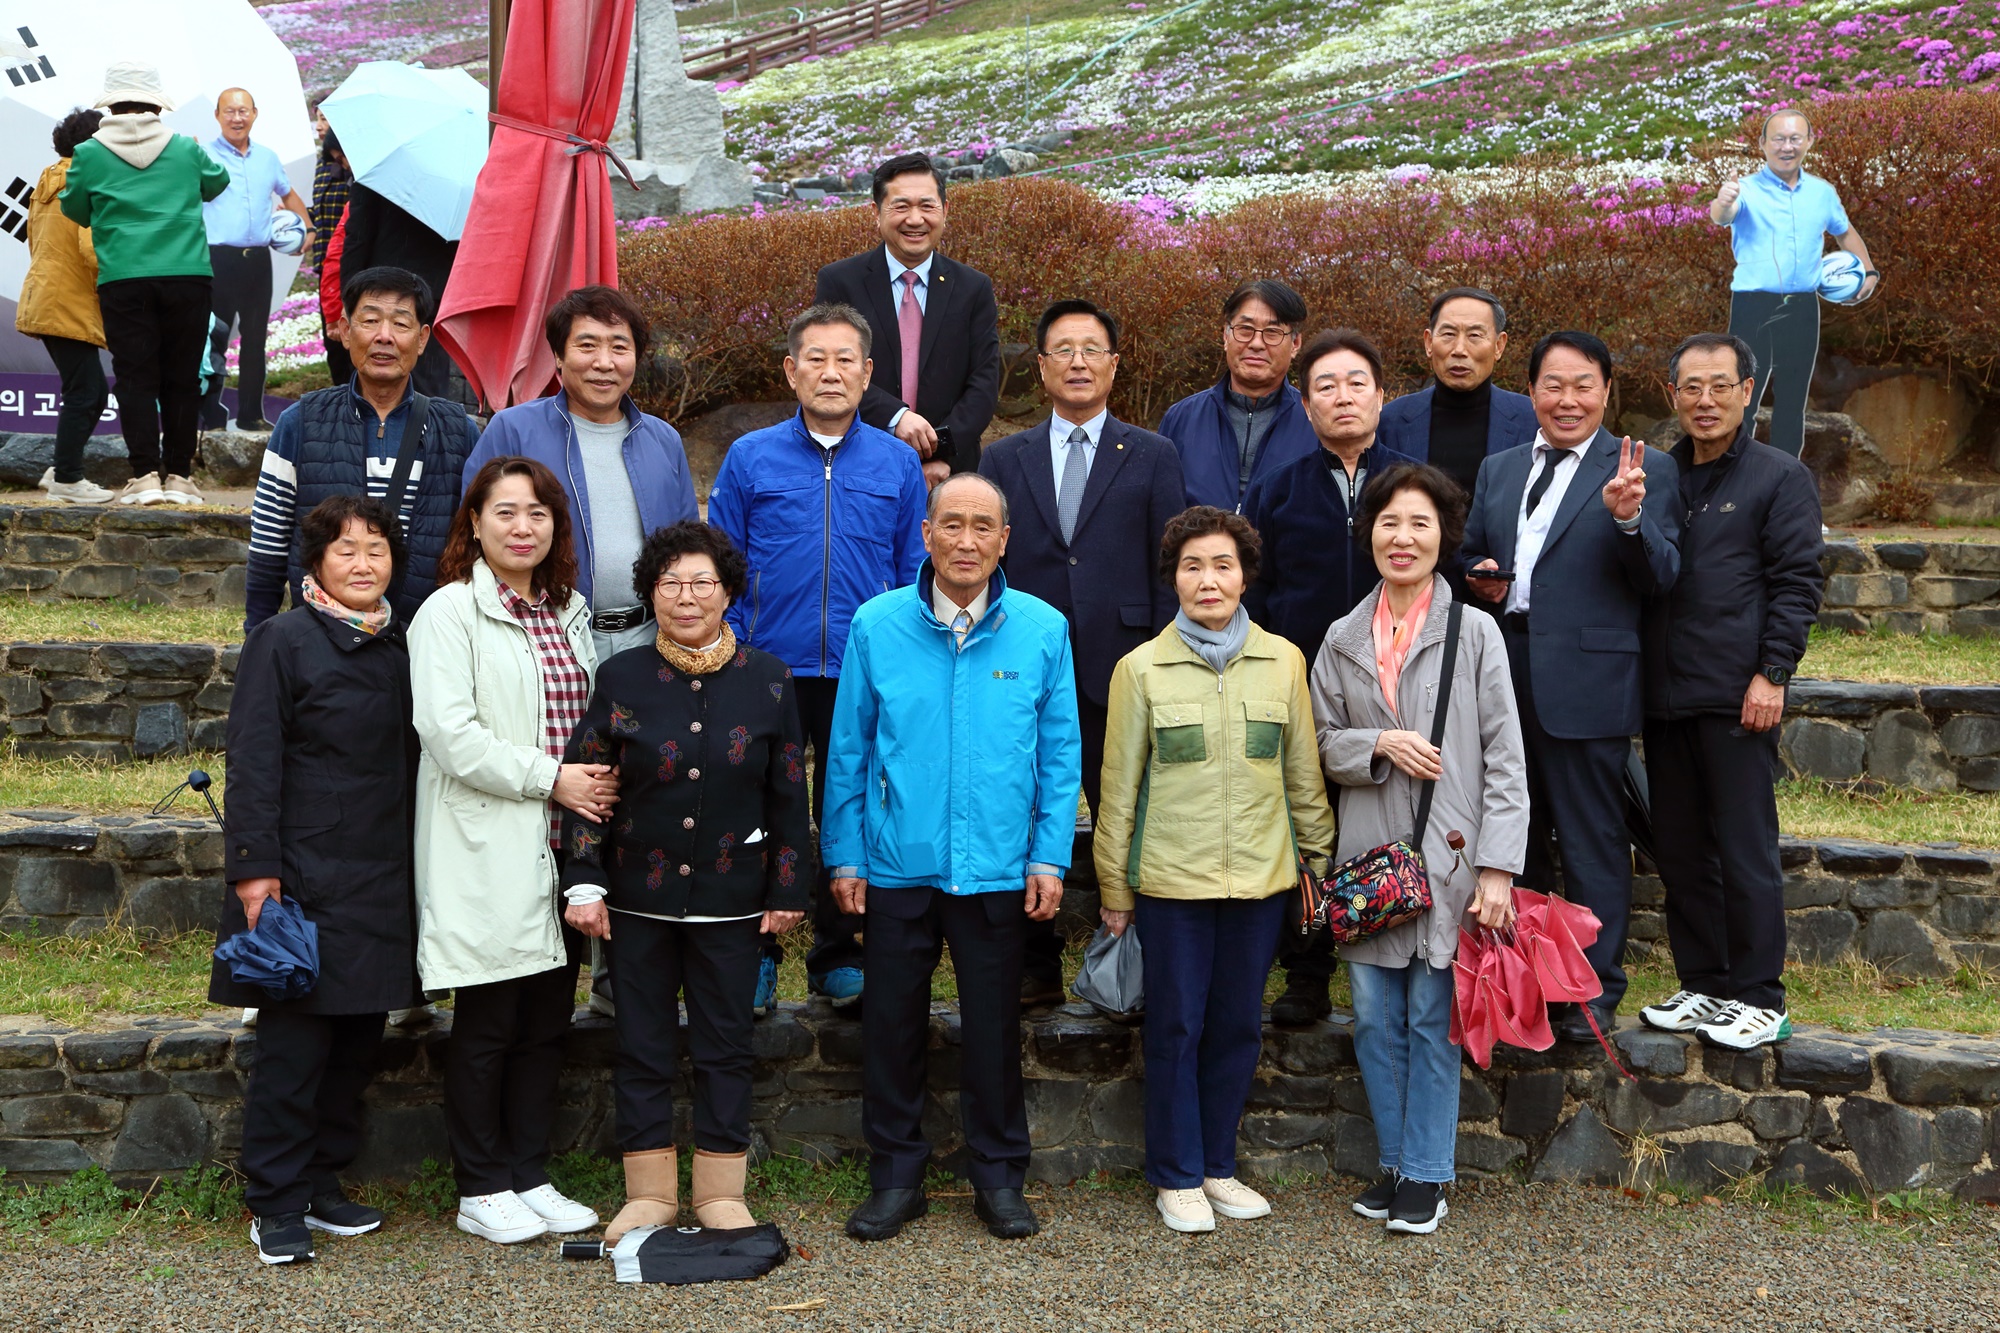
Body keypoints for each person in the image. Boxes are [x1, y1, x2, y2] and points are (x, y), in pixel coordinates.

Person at [823, 473, 1081, 1243]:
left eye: (983, 526)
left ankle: (998, 1177)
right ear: (927, 533)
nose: (966, 540)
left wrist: (1049, 857)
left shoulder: (1042, 629)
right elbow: (848, 751)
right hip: (896, 863)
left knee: (994, 1030)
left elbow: (1060, 756)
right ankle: (896, 1177)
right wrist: (844, 855)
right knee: (891, 1027)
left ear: (1005, 540)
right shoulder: (876, 626)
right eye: (952, 524)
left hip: (999, 867)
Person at [558, 521, 811, 1242]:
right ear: (651, 594)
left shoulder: (769, 678)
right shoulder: (623, 678)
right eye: (670, 583)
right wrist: (585, 879)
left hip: (733, 901)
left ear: (728, 592)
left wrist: (788, 887)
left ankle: (721, 1190)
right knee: (641, 1043)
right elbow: (590, 782)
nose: (687, 596)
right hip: (638, 898)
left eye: (702, 582)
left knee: (726, 1044)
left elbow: (788, 791)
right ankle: (649, 1193)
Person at [1093, 506, 1335, 1234]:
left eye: (1222, 565)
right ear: (1172, 578)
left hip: (1262, 882)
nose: (1208, 580)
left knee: (1236, 1026)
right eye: (1192, 565)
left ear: (1245, 576)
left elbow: (1302, 776)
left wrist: (1317, 863)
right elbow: (1118, 790)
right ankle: (1175, 1173)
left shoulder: (1284, 661)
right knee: (1175, 1025)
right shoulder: (1140, 669)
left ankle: (1217, 1166)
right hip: (1173, 884)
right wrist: (1115, 888)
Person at [1311, 462, 1529, 1236]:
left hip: (1452, 859)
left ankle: (1429, 1173)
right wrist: (1377, 743)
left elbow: (1506, 756)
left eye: (1420, 524)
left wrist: (1498, 868)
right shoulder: (1341, 638)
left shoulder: (1475, 631)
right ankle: (1398, 1163)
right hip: (1370, 861)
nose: (1402, 537)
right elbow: (1321, 742)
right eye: (1388, 522)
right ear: (1368, 532)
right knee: (1374, 1019)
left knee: (1432, 1018)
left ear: (1444, 536)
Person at [409, 455, 616, 1245]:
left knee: (545, 1019)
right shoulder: (449, 613)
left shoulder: (568, 611)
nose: (523, 526)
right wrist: (552, 778)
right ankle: (481, 1184)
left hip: (565, 846)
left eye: (538, 512)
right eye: (505, 511)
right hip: (489, 839)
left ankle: (529, 1173)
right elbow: (450, 734)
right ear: (474, 523)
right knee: (490, 1018)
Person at [214, 494, 421, 1264]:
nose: (363, 563)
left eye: (376, 548)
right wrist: (254, 870)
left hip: (383, 873)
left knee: (358, 1037)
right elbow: (253, 759)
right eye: (346, 549)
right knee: (295, 1045)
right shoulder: (283, 640)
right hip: (300, 876)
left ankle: (320, 1178)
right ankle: (273, 1198)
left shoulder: (402, 644)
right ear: (316, 562)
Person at [707, 304, 927, 1014]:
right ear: (791, 370)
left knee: (852, 806)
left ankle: (840, 954)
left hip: (864, 671)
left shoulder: (898, 463)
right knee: (759, 808)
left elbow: (913, 569)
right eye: (816, 358)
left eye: (845, 360)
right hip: (767, 667)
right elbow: (721, 563)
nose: (830, 373)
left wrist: (902, 659)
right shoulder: (751, 458)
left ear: (868, 373)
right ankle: (756, 954)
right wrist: (733, 647)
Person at [1462, 331, 1681, 1039]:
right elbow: (1470, 550)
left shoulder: (1643, 469)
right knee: (1514, 841)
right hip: (1503, 672)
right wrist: (1478, 573)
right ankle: (1525, 985)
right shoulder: (1499, 468)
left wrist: (1628, 519)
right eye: (1552, 384)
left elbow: (1662, 576)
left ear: (1607, 391)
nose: (1567, 399)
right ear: (1529, 391)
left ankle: (1591, 992)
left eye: (1583, 385)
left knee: (1591, 843)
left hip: (1589, 681)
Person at [979, 298, 1183, 1007]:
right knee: (1022, 809)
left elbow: (1169, 566)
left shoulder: (1153, 454)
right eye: (1062, 349)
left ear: (1114, 365)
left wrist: (1161, 661)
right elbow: (992, 563)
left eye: (1091, 349)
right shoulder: (1004, 457)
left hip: (1120, 664)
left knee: (1126, 812)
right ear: (1040, 367)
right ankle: (1032, 964)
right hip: (1022, 668)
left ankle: (1135, 962)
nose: (1077, 362)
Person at [1639, 333, 1823, 1051]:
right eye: (1691, 386)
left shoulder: (1779, 476)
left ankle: (1760, 997)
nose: (1705, 400)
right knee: (1682, 852)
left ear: (1749, 391)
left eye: (1720, 385)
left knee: (1745, 851)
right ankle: (1706, 983)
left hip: (1738, 695)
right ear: (1673, 395)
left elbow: (1797, 582)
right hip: (1664, 696)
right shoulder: (1659, 475)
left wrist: (1773, 673)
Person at [1242, 328, 1415, 1025]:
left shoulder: (1412, 482)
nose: (1342, 397)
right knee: (1307, 828)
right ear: (1306, 404)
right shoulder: (1277, 489)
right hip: (1303, 685)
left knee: (1389, 823)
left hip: (1397, 684)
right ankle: (1307, 972)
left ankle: (1399, 961)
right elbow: (1255, 590)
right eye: (1325, 387)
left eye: (1356, 384)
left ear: (1382, 395)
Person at [466, 286, 699, 666]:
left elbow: (689, 545)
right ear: (559, 356)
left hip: (650, 637)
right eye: (587, 346)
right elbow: (470, 535)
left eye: (619, 347)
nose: (604, 363)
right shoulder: (513, 430)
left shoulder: (663, 439)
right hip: (542, 636)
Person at [244, 267, 480, 632]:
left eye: (400, 324)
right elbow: (268, 548)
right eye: (370, 321)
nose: (384, 336)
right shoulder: (300, 422)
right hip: (322, 640)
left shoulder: (457, 431)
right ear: (345, 330)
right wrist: (257, 639)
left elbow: (474, 546)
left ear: (421, 339)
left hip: (426, 640)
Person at [57, 61, 229, 506]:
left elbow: (74, 209)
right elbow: (218, 182)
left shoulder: (89, 153)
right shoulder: (184, 148)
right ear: (157, 105)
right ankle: (181, 477)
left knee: (135, 378)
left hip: (124, 278)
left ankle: (145, 476)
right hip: (188, 275)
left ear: (110, 105)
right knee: (183, 377)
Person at [813, 152, 1000, 484]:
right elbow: (830, 370)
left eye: (927, 206)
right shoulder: (840, 282)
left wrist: (940, 451)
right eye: (901, 206)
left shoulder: (973, 288)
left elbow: (984, 383)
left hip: (948, 473)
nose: (915, 219)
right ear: (877, 213)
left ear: (945, 211)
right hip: (859, 466)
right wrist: (896, 417)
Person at [1713, 108, 1879, 458]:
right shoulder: (1744, 189)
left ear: (1809, 142)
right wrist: (1724, 201)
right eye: (1778, 139)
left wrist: (1868, 270)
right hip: (1753, 304)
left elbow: (1845, 233)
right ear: (1763, 143)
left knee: (1793, 397)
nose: (1786, 146)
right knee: (1743, 392)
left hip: (1803, 305)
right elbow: (1722, 215)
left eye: (1794, 138)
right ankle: (1731, 470)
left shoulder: (1822, 192)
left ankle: (1786, 474)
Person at [16, 108, 114, 505]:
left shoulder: (48, 179)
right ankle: (68, 479)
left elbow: (34, 239)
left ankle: (62, 468)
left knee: (91, 391)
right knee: (86, 392)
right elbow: (93, 250)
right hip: (66, 300)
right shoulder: (85, 182)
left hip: (46, 294)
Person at [199, 87, 312, 434]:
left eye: (243, 111)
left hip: (258, 263)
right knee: (214, 338)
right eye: (229, 111)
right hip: (218, 260)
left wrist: (308, 229)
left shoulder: (267, 158)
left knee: (254, 341)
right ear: (217, 116)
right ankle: (210, 417)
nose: (237, 118)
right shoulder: (203, 156)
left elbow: (288, 195)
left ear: (255, 113)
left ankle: (250, 414)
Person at [1156, 279, 1317, 511]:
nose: (1256, 344)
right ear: (1226, 336)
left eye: (1272, 332)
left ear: (1295, 344)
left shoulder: (1316, 421)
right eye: (1245, 330)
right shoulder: (1181, 419)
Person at [1376, 287, 1539, 499]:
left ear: (1499, 346)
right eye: (1448, 334)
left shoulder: (1533, 420)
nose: (1459, 349)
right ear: (1429, 342)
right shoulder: (1390, 422)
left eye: (1475, 335)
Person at [342, 180, 460, 398]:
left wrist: (349, 295)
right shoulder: (457, 177)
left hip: (381, 290)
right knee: (429, 377)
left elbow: (358, 235)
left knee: (373, 373)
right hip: (436, 288)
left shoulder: (381, 172)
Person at [310, 127, 353, 386]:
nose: (319, 125)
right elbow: (321, 213)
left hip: (349, 271)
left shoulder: (361, 184)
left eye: (325, 119)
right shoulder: (323, 168)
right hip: (328, 266)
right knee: (336, 352)